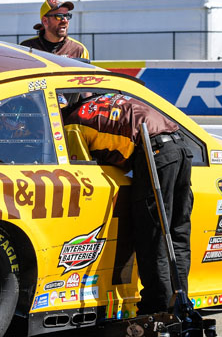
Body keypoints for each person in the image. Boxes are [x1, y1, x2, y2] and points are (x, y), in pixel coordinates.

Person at [63, 93, 193, 316]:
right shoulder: (107, 98)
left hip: (155, 154)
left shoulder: (72, 122)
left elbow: (83, 169)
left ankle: (157, 307)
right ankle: (180, 304)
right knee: (177, 232)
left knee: (153, 235)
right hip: (180, 146)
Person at [20, 0, 90, 59]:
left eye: (67, 15)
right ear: (45, 21)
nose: (65, 20)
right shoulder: (26, 48)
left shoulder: (78, 49)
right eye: (59, 16)